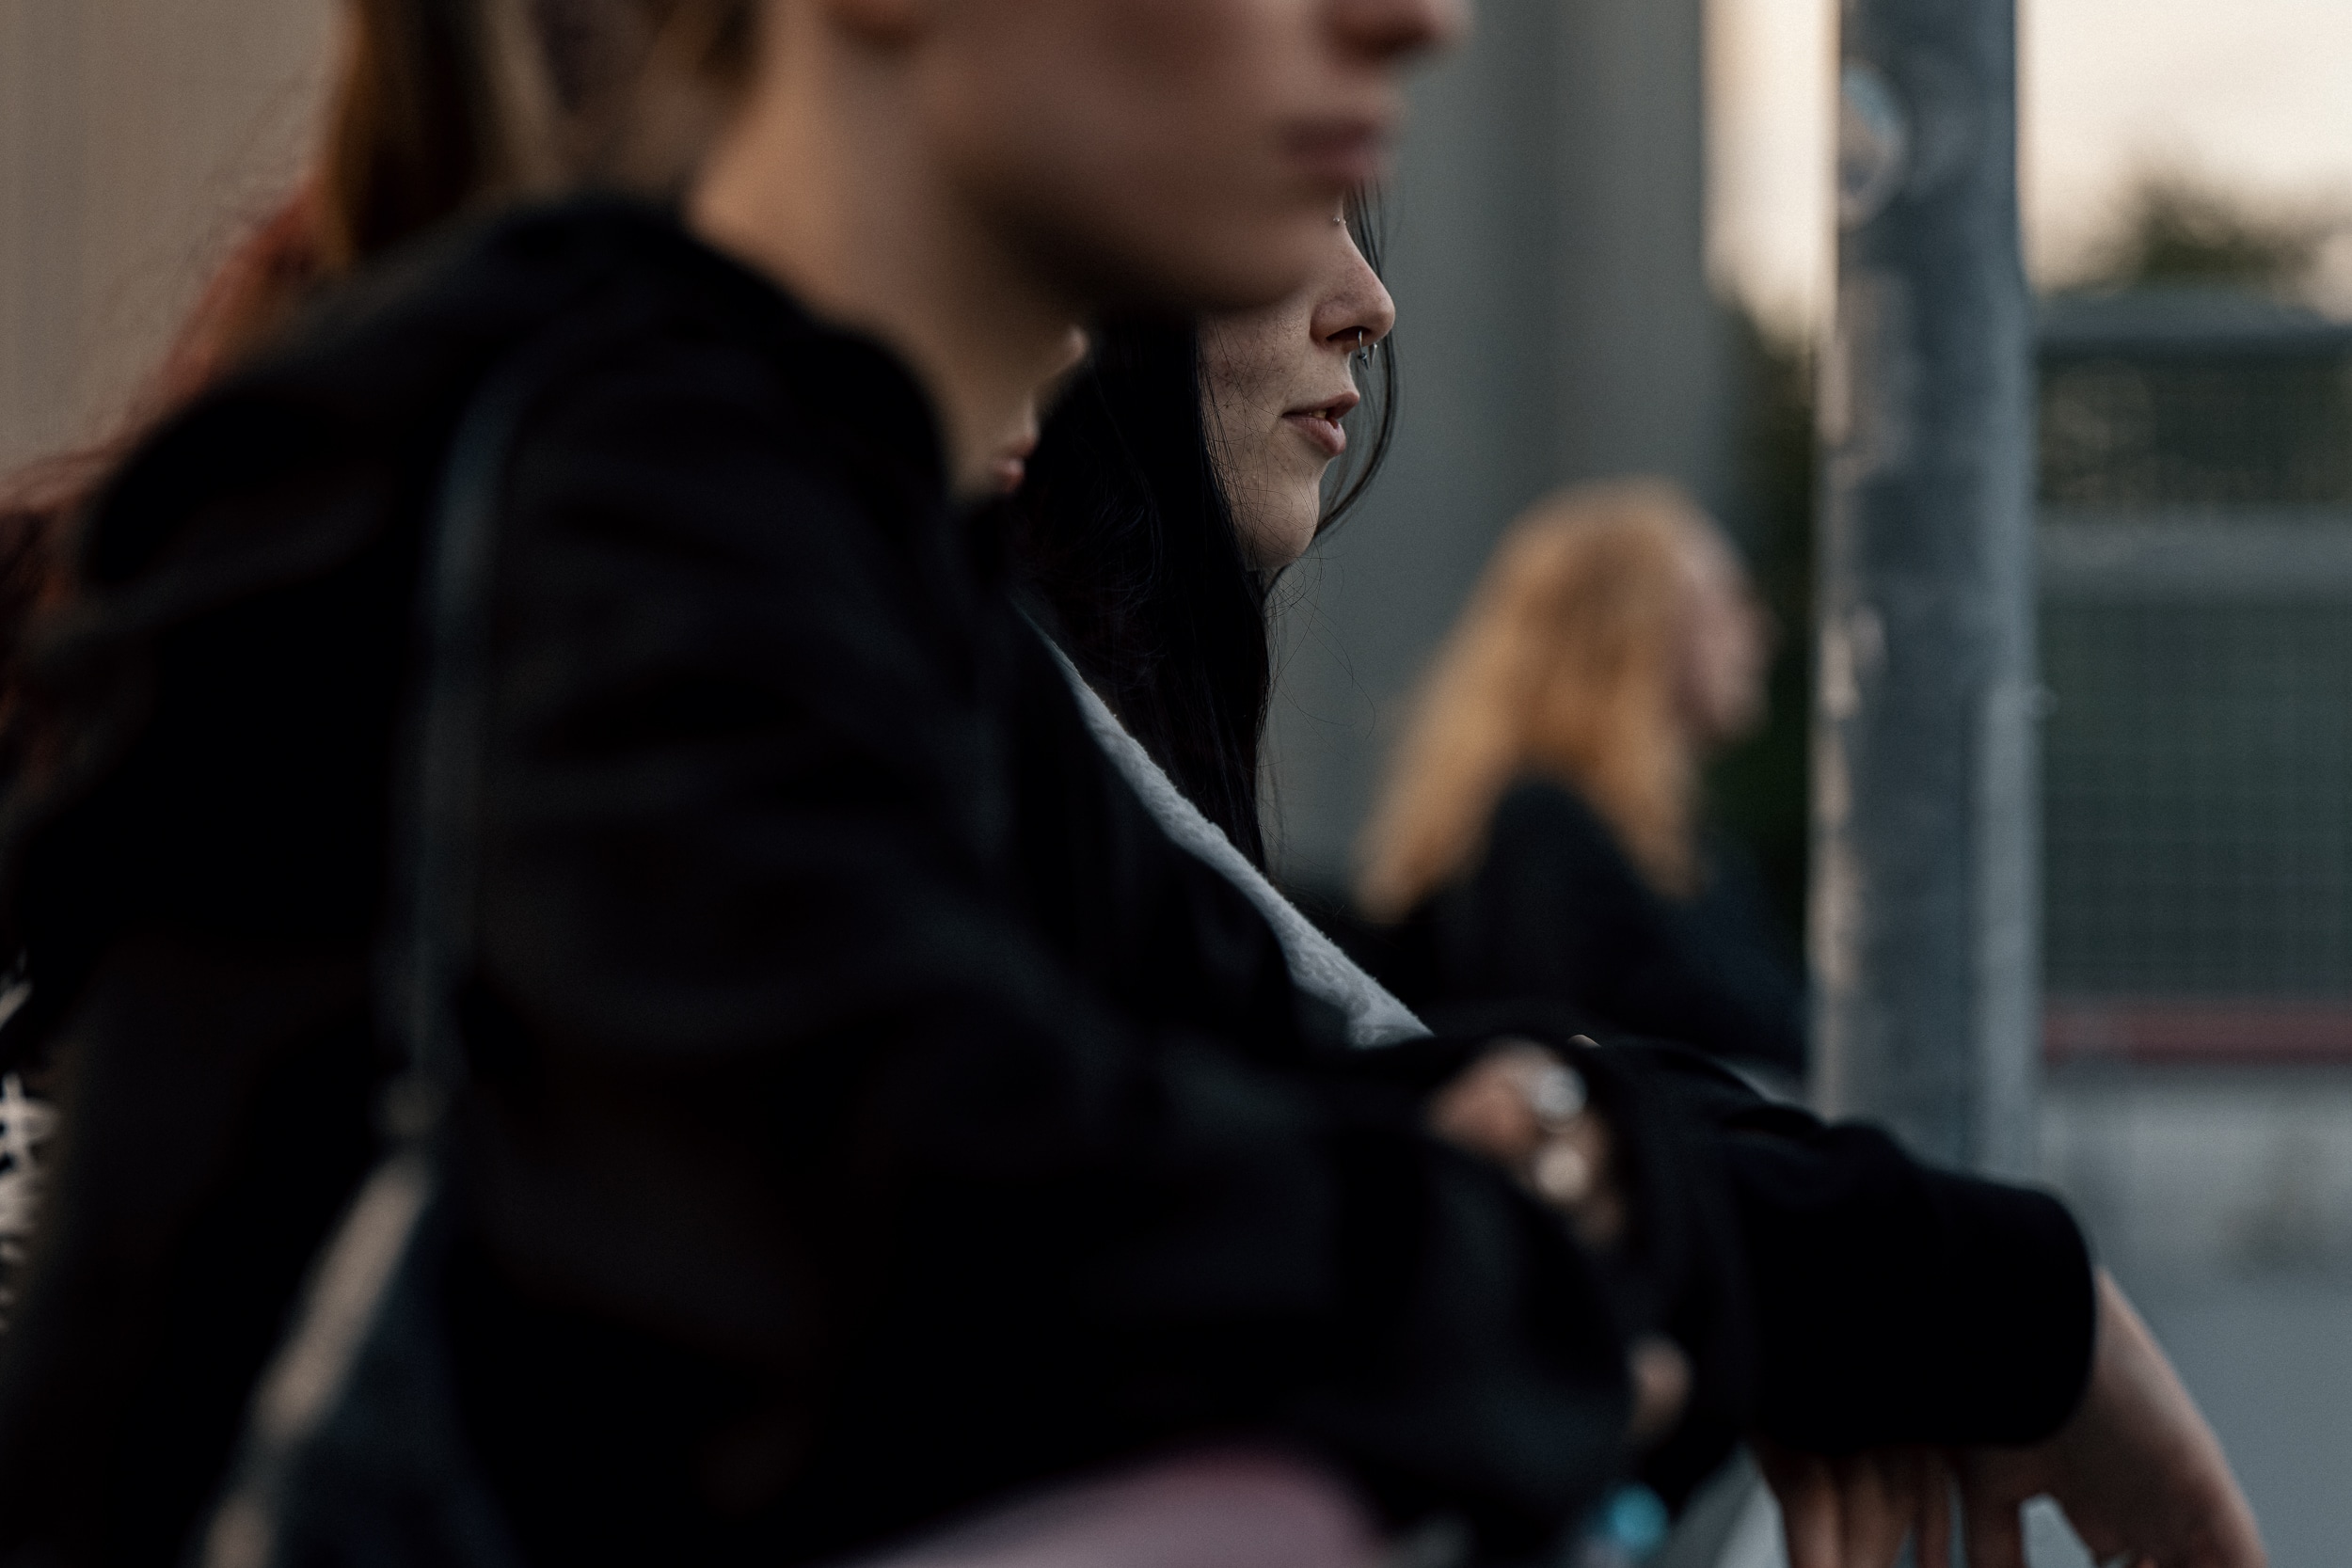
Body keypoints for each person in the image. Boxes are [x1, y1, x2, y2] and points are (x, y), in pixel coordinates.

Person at [0, 2, 1790, 1565]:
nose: (1415, 21)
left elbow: (1255, 1082)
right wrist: (1511, 1256)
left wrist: (1555, 1174)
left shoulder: (813, 575)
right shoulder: (603, 516)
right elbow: (961, 1211)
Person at [1009, 212, 2264, 1568]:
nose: (1372, 302)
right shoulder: (1539, 836)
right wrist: (1849, 1266)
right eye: (1283, 196)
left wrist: (1766, 1246)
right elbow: (1380, 1090)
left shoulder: (1657, 840)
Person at [1352, 482, 1805, 1077]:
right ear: (1633, 627)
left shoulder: (1687, 847)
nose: (1759, 631)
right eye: (1728, 600)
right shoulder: (1542, 829)